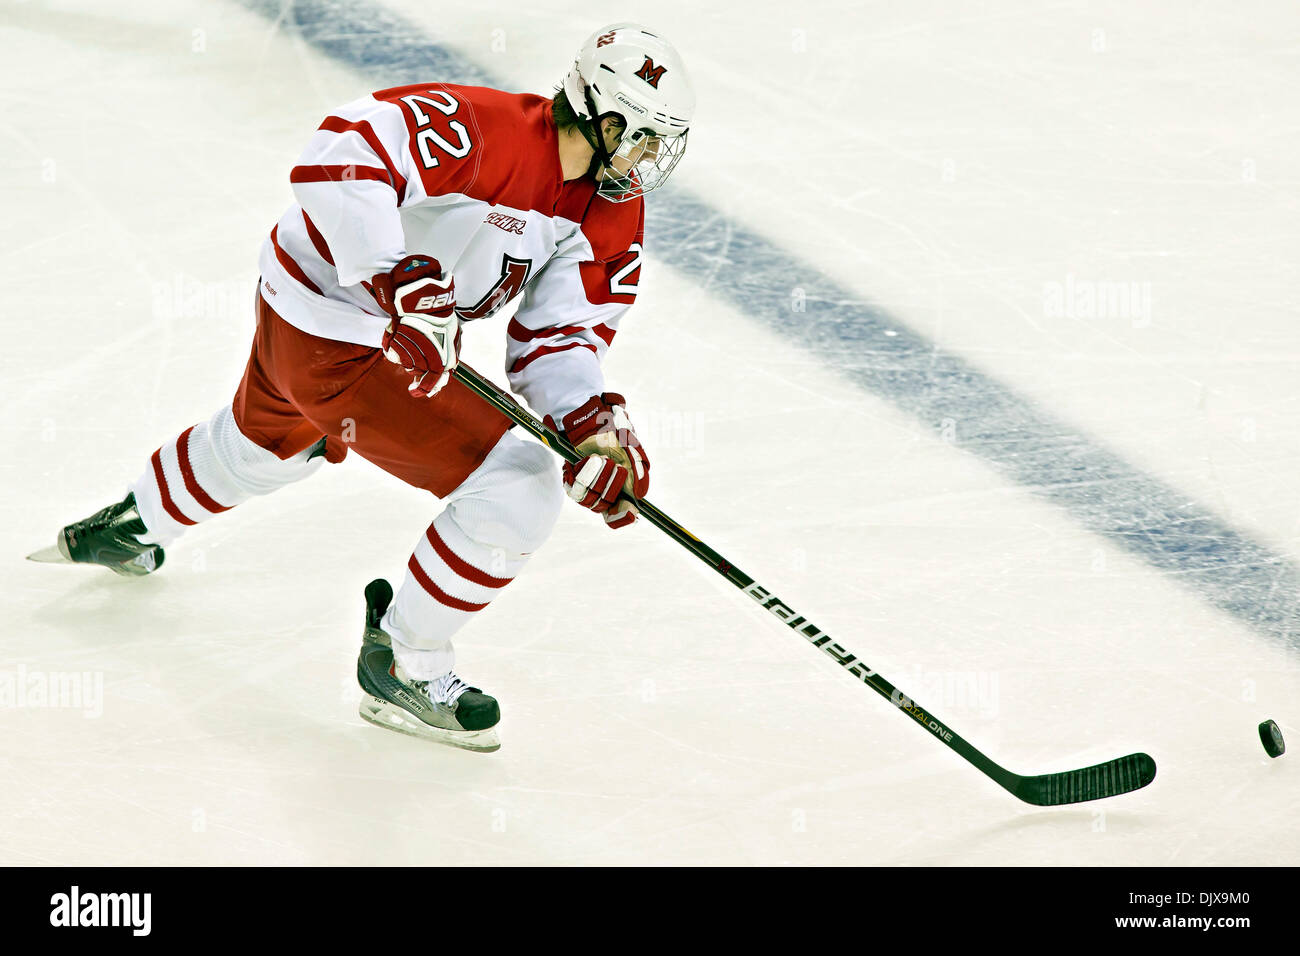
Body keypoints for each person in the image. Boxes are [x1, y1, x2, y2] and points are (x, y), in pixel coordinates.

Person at [34, 22, 696, 752]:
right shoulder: (487, 131)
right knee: (519, 486)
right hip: (341, 333)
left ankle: (132, 525)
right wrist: (393, 276)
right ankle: (406, 663)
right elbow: (340, 151)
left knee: (267, 445)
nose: (649, 159)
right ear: (607, 120)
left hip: (312, 321)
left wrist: (591, 426)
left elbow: (557, 339)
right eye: (644, 138)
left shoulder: (609, 209)